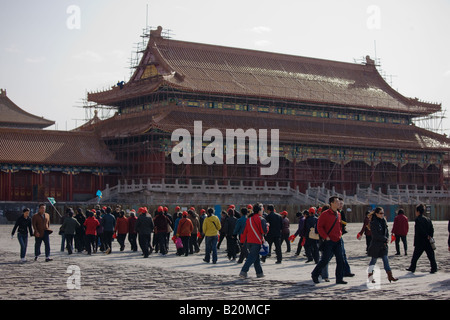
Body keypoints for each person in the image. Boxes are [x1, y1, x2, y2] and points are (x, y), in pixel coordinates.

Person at [311, 196, 346, 284]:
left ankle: (339, 278)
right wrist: (325, 237)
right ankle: (315, 274)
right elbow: (319, 227)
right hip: (329, 240)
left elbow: (339, 226)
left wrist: (340, 233)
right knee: (325, 260)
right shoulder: (325, 214)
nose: (339, 203)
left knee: (340, 259)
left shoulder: (338, 213)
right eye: (337, 202)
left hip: (338, 240)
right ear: (332, 203)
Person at [367, 207, 398, 283]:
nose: (382, 215)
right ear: (376, 214)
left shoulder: (383, 221)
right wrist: (384, 238)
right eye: (380, 213)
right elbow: (375, 235)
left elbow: (386, 231)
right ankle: (370, 276)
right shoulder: (373, 222)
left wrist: (386, 238)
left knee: (386, 260)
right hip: (376, 245)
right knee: (373, 261)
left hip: (383, 245)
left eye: (383, 213)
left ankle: (390, 276)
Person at [239, 203, 268, 279]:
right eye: (261, 210)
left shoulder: (249, 219)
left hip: (249, 241)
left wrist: (242, 241)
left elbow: (245, 231)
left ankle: (259, 273)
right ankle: (243, 271)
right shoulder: (261, 219)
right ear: (259, 211)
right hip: (257, 241)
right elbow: (264, 231)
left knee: (256, 258)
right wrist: (267, 226)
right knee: (252, 257)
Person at [406, 204, 438, 274]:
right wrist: (429, 236)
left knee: (415, 256)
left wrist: (425, 235)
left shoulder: (418, 219)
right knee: (431, 256)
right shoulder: (428, 219)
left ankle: (412, 267)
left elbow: (420, 230)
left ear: (418, 211)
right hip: (427, 241)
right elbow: (432, 229)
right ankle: (434, 268)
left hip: (420, 241)